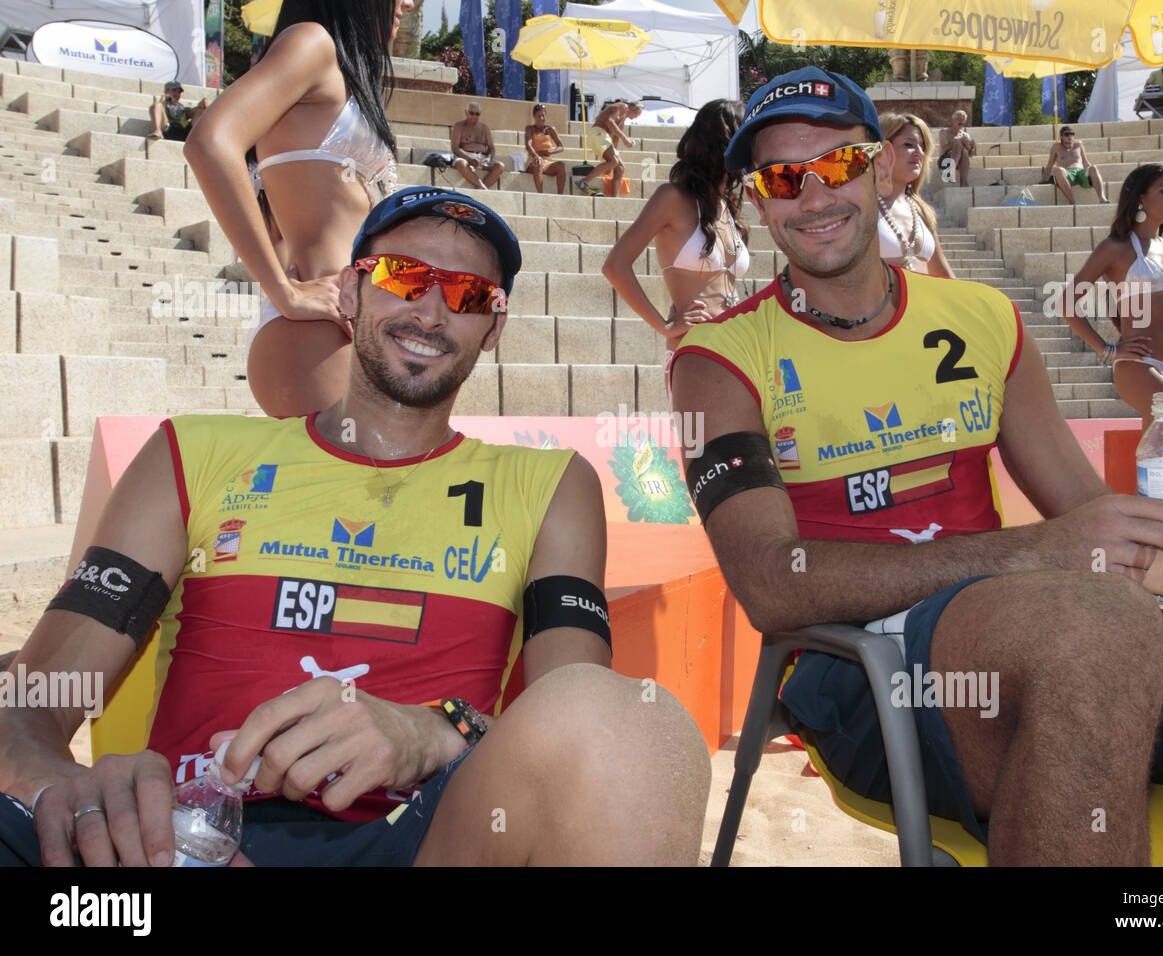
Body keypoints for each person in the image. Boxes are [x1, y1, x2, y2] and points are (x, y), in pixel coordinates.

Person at [669, 67, 1163, 866]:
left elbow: (1084, 508)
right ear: (757, 199)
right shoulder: (717, 359)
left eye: (840, 165)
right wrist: (1035, 552)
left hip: (1047, 641)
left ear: (881, 168)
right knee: (1095, 625)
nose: (816, 196)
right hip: (862, 671)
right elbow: (769, 582)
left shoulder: (982, 316)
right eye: (785, 177)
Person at [0, 187, 711, 867]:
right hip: (187, 839)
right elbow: (30, 703)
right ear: (349, 291)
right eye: (403, 276)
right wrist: (69, 790)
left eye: (466, 294)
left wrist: (438, 730)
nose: (431, 313)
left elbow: (579, 714)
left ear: (493, 327)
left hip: (425, 839)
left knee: (640, 726)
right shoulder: (194, 453)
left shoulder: (549, 484)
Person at [184, 0, 410, 420]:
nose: (410, 4)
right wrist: (285, 294)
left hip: (343, 324)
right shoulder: (312, 42)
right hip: (319, 330)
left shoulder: (339, 66)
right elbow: (208, 142)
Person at [602, 99, 749, 388]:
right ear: (725, 143)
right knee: (699, 434)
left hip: (739, 349)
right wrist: (664, 325)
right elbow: (614, 266)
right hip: (696, 351)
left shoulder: (725, 205)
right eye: (746, 138)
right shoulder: (672, 198)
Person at [1065, 164, 1163, 446]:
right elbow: (1067, 303)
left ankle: (1145, 492)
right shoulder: (1115, 248)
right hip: (1139, 364)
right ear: (1140, 198)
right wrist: (1107, 350)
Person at [875, 112, 954, 277]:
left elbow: (946, 277)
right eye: (908, 144)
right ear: (883, 151)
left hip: (926, 302)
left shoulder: (921, 210)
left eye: (923, 146)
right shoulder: (861, 206)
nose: (919, 153)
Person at [579, 100, 642, 197]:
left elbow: (615, 141)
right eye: (637, 114)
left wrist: (611, 162)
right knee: (614, 161)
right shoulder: (622, 106)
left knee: (620, 167)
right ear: (633, 108)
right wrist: (625, 139)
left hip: (604, 138)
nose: (636, 117)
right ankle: (584, 182)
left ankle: (614, 197)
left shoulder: (622, 121)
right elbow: (609, 121)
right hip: (598, 133)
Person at [1042, 126, 1110, 205]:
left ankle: (1102, 199)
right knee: (1058, 170)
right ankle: (1072, 201)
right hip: (1067, 173)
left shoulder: (1078, 145)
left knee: (1093, 168)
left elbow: (1085, 161)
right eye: (1067, 134)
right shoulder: (1056, 147)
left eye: (1072, 134)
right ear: (1061, 136)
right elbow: (1050, 164)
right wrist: (1043, 180)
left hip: (1080, 171)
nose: (1070, 136)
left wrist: (1092, 171)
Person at [450, 102, 506, 190]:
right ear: (466, 112)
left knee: (500, 166)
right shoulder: (459, 126)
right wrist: (469, 159)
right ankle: (482, 186)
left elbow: (491, 148)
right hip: (465, 156)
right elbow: (455, 148)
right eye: (471, 113)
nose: (474, 116)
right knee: (461, 164)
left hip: (482, 158)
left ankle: (480, 188)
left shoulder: (484, 128)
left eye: (477, 114)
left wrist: (488, 158)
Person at [522, 103, 566, 195]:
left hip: (547, 162)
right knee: (538, 163)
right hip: (533, 161)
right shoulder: (530, 128)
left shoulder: (550, 129)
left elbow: (561, 146)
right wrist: (536, 156)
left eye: (543, 115)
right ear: (534, 116)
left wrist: (549, 152)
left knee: (561, 166)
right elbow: (528, 145)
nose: (541, 118)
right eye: (538, 116)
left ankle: (560, 195)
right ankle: (540, 195)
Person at [936, 109, 975, 187]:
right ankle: (950, 171)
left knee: (964, 151)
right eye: (959, 119)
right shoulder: (944, 132)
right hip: (945, 161)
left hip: (961, 162)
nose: (961, 122)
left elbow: (970, 155)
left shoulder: (966, 135)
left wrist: (972, 146)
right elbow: (943, 149)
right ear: (953, 120)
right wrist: (956, 141)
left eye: (963, 120)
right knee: (957, 141)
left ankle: (963, 183)